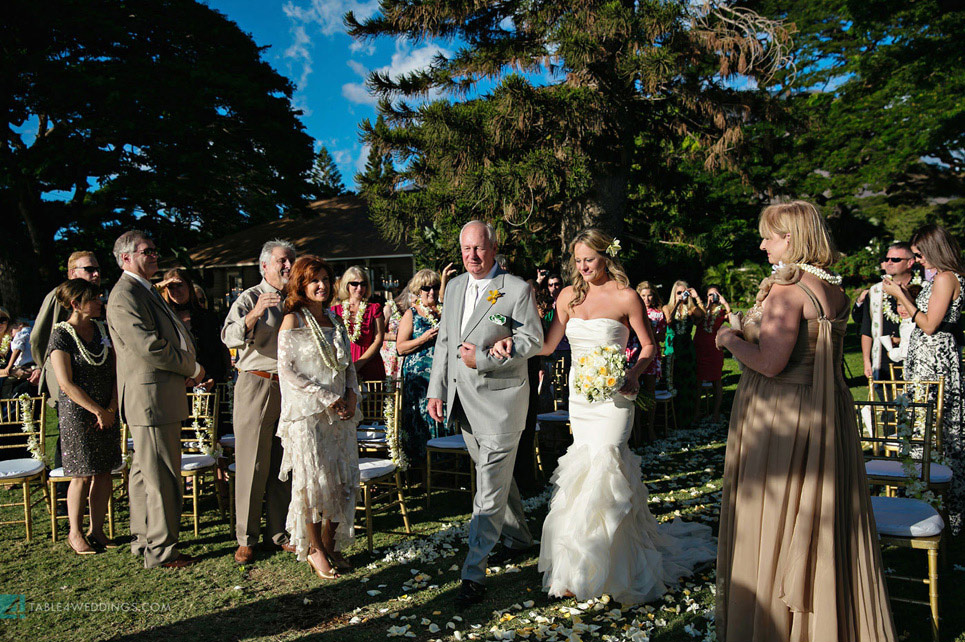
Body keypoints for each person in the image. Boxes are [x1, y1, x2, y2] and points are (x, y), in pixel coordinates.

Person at [714, 201, 896, 641]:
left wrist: (729, 340)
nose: (762, 244)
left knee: (776, 514)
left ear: (791, 238)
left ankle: (776, 625)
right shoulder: (830, 286)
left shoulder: (788, 292)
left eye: (768, 237)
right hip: (825, 410)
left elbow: (771, 362)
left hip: (781, 416)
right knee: (815, 514)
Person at [502, 229, 715, 604]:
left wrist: (632, 374)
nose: (583, 267)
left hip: (617, 398)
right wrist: (512, 339)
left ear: (607, 257)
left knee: (609, 465)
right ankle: (578, 568)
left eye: (590, 259)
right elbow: (549, 345)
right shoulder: (568, 296)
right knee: (583, 471)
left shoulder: (626, 296)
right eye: (578, 260)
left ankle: (619, 564)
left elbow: (648, 346)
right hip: (581, 398)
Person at [426, 220, 543, 608]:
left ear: (494, 248)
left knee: (487, 492)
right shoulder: (455, 287)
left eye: (478, 249)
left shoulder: (516, 289)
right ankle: (521, 538)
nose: (472, 256)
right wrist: (437, 389)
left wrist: (491, 357)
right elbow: (445, 341)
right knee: (496, 479)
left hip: (500, 405)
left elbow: (534, 339)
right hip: (463, 406)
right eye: (465, 250)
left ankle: (473, 572)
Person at [107, 230, 203, 569]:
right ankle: (162, 552)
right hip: (150, 397)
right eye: (147, 251)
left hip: (158, 395)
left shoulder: (145, 290)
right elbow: (149, 347)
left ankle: (144, 540)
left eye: (155, 249)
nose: (155, 255)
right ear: (126, 258)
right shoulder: (124, 295)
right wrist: (191, 366)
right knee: (162, 475)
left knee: (143, 474)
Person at [277, 255, 360, 579]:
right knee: (313, 482)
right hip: (308, 414)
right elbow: (287, 371)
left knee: (342, 481)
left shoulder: (335, 321)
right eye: (314, 280)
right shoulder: (293, 320)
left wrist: (351, 396)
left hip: (341, 414)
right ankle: (313, 549)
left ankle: (329, 542)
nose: (322, 285)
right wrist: (328, 398)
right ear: (301, 284)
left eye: (325, 279)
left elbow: (348, 366)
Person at [883, 223, 965, 534]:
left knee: (936, 430)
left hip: (935, 362)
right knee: (924, 428)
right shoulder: (940, 278)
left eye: (919, 254)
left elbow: (930, 325)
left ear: (935, 249)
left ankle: (941, 509)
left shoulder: (945, 277)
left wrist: (901, 297)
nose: (917, 260)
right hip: (926, 360)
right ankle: (922, 500)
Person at [220, 239, 296, 564]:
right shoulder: (249, 297)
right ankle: (246, 538)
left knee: (284, 464)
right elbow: (229, 336)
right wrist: (254, 314)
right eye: (282, 261)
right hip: (257, 385)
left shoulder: (297, 300)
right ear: (264, 266)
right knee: (252, 464)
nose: (288, 266)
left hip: (290, 389)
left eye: (291, 261)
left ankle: (279, 532)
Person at [48, 279, 120, 554]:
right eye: (94, 298)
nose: (100, 302)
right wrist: (96, 410)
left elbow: (115, 372)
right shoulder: (62, 335)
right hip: (78, 413)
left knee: (104, 471)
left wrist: (111, 408)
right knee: (81, 473)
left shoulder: (102, 329)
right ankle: (75, 532)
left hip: (108, 409)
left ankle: (97, 530)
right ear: (76, 303)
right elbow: (65, 383)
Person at [30, 251, 103, 405]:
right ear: (72, 273)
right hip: (65, 378)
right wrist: (44, 364)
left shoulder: (98, 300)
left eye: (97, 269)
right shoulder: (59, 297)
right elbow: (38, 337)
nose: (96, 274)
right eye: (89, 269)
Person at [396, 269, 447, 465]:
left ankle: (446, 463)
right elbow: (401, 347)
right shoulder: (411, 314)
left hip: (441, 374)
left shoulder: (444, 312)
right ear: (418, 291)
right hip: (418, 378)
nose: (431, 292)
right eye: (426, 288)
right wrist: (423, 339)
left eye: (435, 287)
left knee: (443, 415)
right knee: (420, 420)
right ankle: (422, 466)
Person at [159, 268, 231, 387]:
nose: (176, 290)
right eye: (170, 287)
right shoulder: (163, 318)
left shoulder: (207, 317)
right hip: (174, 383)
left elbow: (217, 352)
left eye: (179, 285)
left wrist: (212, 378)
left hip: (206, 382)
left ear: (189, 286)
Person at [861, 242, 917, 382]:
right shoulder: (875, 291)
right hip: (883, 364)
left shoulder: (921, 289)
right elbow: (866, 330)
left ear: (910, 263)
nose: (889, 263)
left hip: (916, 363)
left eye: (896, 260)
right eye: (887, 259)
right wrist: (866, 361)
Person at [331, 266, 385, 381]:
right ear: (347, 285)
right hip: (345, 365)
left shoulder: (374, 308)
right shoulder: (335, 311)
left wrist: (358, 365)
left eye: (363, 284)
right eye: (354, 284)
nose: (359, 288)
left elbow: (378, 340)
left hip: (370, 363)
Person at [663, 281, 703, 427]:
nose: (682, 295)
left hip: (688, 347)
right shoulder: (667, 307)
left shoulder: (691, 309)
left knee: (689, 382)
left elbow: (702, 316)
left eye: (684, 292)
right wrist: (677, 303)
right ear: (674, 293)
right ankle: (675, 418)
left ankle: (689, 416)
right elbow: (668, 321)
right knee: (675, 381)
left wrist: (696, 297)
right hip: (674, 348)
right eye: (679, 292)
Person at [694, 286, 731, 424]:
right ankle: (697, 412)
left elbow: (733, 321)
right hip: (700, 349)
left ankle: (716, 413)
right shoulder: (702, 310)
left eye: (715, 294)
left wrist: (725, 303)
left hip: (714, 351)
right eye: (710, 294)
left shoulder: (721, 312)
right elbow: (696, 322)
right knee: (698, 382)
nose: (712, 297)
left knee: (717, 382)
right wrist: (707, 307)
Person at [636, 281, 667, 440]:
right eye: (643, 296)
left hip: (652, 355)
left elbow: (662, 337)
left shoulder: (658, 314)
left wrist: (649, 330)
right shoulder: (633, 312)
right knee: (634, 392)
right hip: (635, 354)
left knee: (650, 392)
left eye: (649, 295)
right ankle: (636, 430)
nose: (647, 299)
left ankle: (650, 428)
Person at [380, 288, 409, 380]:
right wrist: (398, 337)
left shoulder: (414, 310)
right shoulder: (390, 308)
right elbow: (379, 333)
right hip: (390, 356)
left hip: (405, 354)